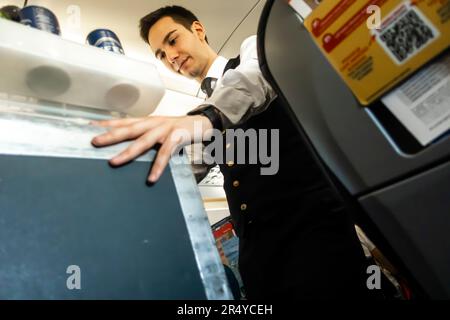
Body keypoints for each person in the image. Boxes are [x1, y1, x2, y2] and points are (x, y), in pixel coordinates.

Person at [91, 5, 376, 299]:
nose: (171, 56)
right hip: (261, 261)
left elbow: (255, 79)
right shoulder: (203, 114)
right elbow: (186, 167)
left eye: (172, 41)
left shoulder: (252, 53)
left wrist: (208, 117)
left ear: (198, 30)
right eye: (161, 55)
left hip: (317, 242)